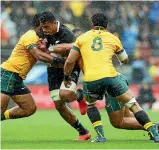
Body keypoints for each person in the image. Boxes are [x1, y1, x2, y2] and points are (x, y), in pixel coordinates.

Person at [63, 13, 159, 143]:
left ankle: (101, 136)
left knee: (118, 120)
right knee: (131, 110)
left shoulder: (82, 41)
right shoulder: (112, 38)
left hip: (93, 80)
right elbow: (125, 60)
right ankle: (154, 132)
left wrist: (66, 77)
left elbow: (69, 61)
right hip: (114, 77)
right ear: (106, 26)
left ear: (91, 25)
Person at [1, 13, 65, 121]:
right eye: (44, 27)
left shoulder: (39, 39)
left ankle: (2, 117)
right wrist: (60, 61)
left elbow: (45, 54)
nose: (46, 30)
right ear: (39, 25)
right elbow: (39, 55)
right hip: (8, 73)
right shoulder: (30, 36)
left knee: (29, 108)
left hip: (17, 78)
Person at [39, 11, 90, 141]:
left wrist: (51, 49)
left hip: (69, 68)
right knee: (59, 104)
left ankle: (79, 95)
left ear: (54, 23)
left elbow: (74, 47)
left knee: (65, 95)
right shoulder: (43, 33)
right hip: (53, 71)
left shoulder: (66, 33)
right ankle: (83, 132)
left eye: (46, 27)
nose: (44, 30)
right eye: (42, 27)